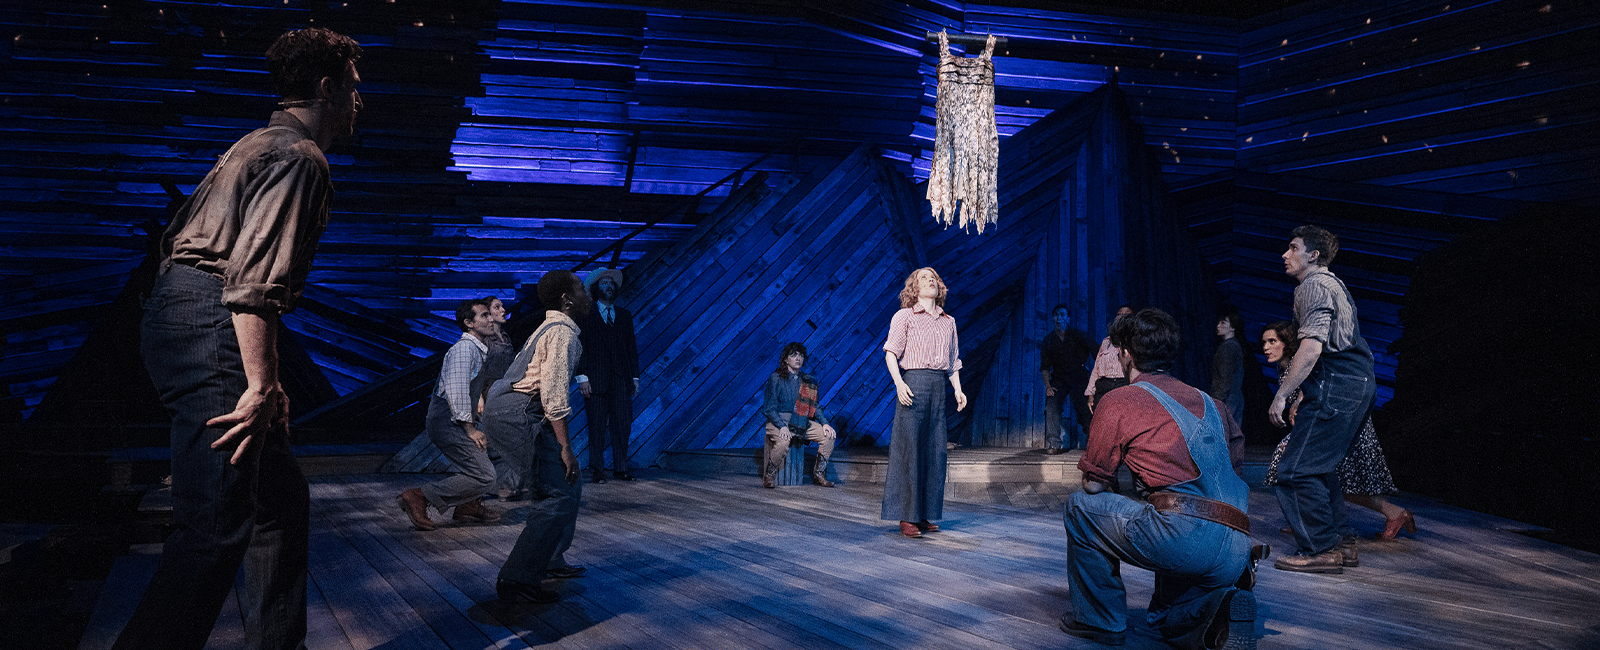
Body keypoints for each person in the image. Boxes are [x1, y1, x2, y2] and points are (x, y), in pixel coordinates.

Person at [113, 28, 362, 650]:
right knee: (215, 525)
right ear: (327, 89)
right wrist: (258, 383)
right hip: (210, 319)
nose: (361, 103)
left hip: (183, 313)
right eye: (355, 90)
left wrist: (268, 380)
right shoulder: (300, 157)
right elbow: (251, 286)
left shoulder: (254, 142)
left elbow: (182, 248)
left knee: (279, 503)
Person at [1062, 308, 1261, 650]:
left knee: (1080, 507)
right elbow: (1231, 473)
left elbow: (1094, 484)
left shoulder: (1120, 400)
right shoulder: (1213, 404)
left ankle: (1100, 621)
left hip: (1183, 538)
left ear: (1124, 353)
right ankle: (1216, 606)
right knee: (1167, 622)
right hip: (1238, 546)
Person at [1270, 225, 1378, 573]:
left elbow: (1313, 345)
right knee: (1318, 468)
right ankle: (1342, 543)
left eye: (1293, 247)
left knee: (1295, 470)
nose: (1285, 255)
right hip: (1353, 383)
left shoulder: (1314, 285)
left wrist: (1283, 395)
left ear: (1313, 255)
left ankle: (1321, 549)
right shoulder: (1334, 284)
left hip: (1338, 382)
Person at [1261, 322, 1416, 543]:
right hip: (1322, 422)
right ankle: (1315, 520)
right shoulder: (1283, 367)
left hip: (1337, 420)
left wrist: (1299, 408)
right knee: (1331, 479)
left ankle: (1318, 524)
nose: (1266, 347)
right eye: (1264, 342)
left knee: (1318, 473)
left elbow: (1319, 382)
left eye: (1272, 341)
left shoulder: (1302, 361)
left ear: (1287, 343)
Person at [494, 270, 591, 603]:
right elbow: (552, 395)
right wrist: (565, 447)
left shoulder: (550, 327)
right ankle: (517, 579)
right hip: (519, 413)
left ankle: (549, 558)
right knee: (555, 493)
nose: (586, 292)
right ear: (566, 299)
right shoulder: (562, 333)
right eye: (581, 288)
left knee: (568, 485)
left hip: (513, 409)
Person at [396, 300, 503, 530]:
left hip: (456, 421)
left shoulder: (476, 348)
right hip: (448, 422)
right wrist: (470, 429)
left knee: (498, 445)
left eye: (489, 315)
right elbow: (456, 391)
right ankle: (420, 496)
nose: (491, 319)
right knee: (485, 476)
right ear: (468, 323)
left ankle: (468, 505)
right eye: (484, 316)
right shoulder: (464, 350)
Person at [882, 267, 967, 538]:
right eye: (923, 278)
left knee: (935, 450)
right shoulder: (904, 316)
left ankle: (926, 513)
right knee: (909, 449)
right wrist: (899, 383)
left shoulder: (948, 321)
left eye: (934, 278)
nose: (930, 280)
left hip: (938, 387)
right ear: (914, 288)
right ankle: (907, 516)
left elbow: (953, 361)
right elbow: (891, 352)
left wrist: (958, 390)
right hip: (913, 383)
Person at [575, 268, 640, 483]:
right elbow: (579, 347)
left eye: (611, 283)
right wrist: (582, 376)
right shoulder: (585, 316)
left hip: (621, 378)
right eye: (604, 283)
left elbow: (631, 347)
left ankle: (621, 468)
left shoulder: (624, 315)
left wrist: (635, 376)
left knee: (622, 424)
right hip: (595, 379)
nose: (609, 286)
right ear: (596, 288)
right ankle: (597, 470)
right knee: (596, 425)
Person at [760, 342, 838, 488]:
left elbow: (814, 406)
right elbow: (769, 408)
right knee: (783, 442)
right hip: (778, 421)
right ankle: (769, 475)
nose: (798, 358)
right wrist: (782, 426)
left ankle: (818, 474)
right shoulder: (776, 378)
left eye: (801, 355)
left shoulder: (807, 380)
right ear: (785, 359)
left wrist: (825, 423)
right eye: (793, 355)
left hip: (800, 421)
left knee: (829, 436)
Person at [476, 296, 527, 501]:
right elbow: (476, 370)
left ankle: (508, 486)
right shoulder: (484, 339)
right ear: (488, 314)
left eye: (502, 306)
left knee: (513, 441)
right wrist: (479, 397)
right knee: (493, 443)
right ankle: (482, 487)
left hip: (504, 393)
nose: (503, 310)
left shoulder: (505, 337)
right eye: (497, 307)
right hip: (487, 394)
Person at [1039, 304, 1096, 452]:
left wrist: (1097, 378)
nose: (1059, 318)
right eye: (1056, 315)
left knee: (1085, 407)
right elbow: (1045, 367)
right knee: (1052, 404)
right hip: (1059, 378)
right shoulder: (1048, 340)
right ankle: (1053, 444)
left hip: (1079, 377)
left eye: (1063, 315)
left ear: (1068, 319)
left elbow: (1097, 352)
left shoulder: (1079, 335)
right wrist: (1048, 386)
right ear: (1053, 318)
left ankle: (1094, 443)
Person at [1086, 304, 1135, 413]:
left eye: (1126, 315)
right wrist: (1091, 393)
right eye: (1119, 315)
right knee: (1100, 418)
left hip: (1123, 384)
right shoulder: (1106, 342)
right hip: (1103, 386)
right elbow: (1096, 369)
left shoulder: (1135, 341)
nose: (1122, 317)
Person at [1210, 307, 1246, 427]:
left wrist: (1217, 400)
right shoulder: (1234, 345)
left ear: (1233, 327)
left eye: (1223, 323)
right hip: (1234, 396)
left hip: (1227, 399)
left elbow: (1225, 376)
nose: (1218, 326)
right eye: (1219, 322)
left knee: (1223, 433)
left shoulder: (1228, 347)